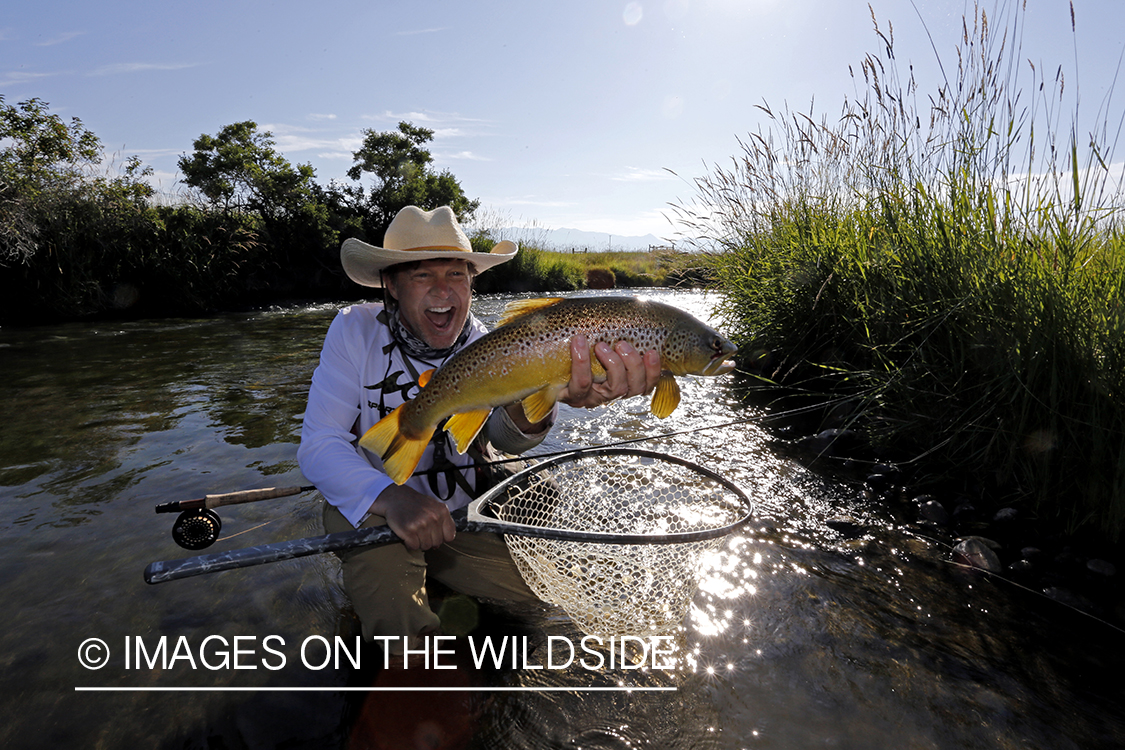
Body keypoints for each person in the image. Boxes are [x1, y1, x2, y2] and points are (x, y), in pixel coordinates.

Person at [297, 205, 661, 661]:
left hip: (460, 516)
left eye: (455, 273)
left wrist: (549, 403)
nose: (443, 290)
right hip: (373, 509)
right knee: (394, 605)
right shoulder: (353, 331)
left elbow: (506, 438)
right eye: (422, 276)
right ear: (390, 284)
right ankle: (417, 676)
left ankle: (455, 588)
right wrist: (393, 498)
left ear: (473, 282)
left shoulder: (496, 343)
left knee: (538, 589)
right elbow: (319, 445)